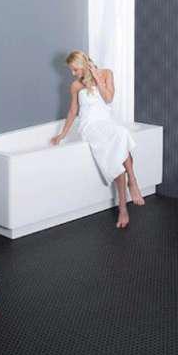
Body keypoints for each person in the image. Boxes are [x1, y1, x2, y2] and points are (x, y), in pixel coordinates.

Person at [50, 50, 144, 228]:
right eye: (71, 70)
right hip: (89, 126)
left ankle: (132, 182)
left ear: (84, 65)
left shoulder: (106, 74)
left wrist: (96, 77)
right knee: (119, 142)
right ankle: (124, 205)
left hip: (106, 122)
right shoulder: (75, 86)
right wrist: (62, 134)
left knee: (121, 134)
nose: (73, 74)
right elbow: (73, 111)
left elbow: (108, 98)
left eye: (75, 69)